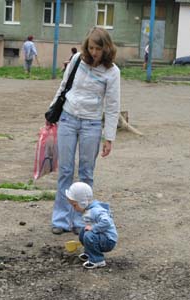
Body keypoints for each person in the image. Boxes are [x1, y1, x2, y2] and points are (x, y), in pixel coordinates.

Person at [49, 26, 120, 235]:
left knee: (86, 173)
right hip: (68, 118)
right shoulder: (78, 60)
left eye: (98, 49)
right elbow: (63, 86)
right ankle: (61, 219)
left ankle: (81, 220)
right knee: (65, 170)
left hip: (92, 124)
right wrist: (50, 114)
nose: (94, 53)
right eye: (90, 48)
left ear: (106, 49)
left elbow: (113, 105)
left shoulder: (112, 72)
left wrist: (109, 137)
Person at [66, 182, 117, 269]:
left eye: (74, 205)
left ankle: (98, 260)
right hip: (101, 236)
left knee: (89, 235)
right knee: (83, 231)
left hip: (108, 240)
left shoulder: (95, 210)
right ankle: (89, 253)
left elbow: (107, 221)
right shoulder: (88, 209)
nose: (73, 208)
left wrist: (93, 228)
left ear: (82, 202)